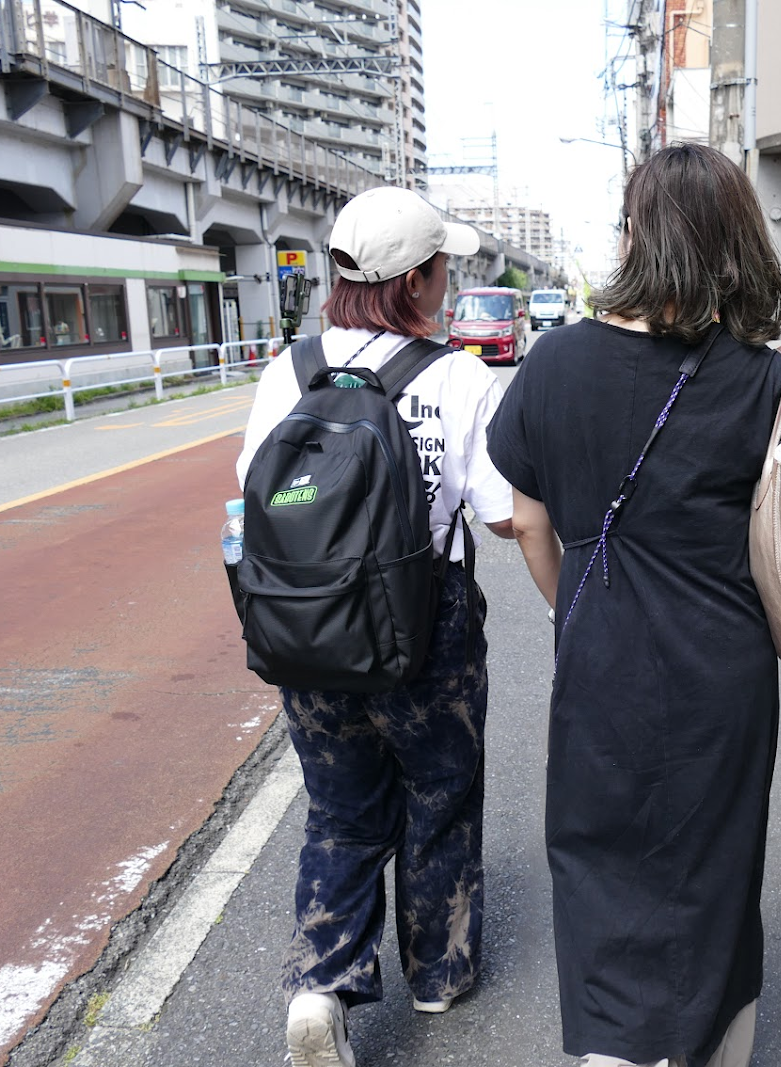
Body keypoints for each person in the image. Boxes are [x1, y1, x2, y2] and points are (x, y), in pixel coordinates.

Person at [486, 143, 781, 1067]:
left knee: (596, 856)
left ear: (634, 236)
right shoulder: (767, 378)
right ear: (734, 244)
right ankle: (708, 1037)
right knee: (714, 860)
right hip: (723, 670)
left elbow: (529, 523)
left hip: (598, 659)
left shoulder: (553, 365)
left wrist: (576, 613)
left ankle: (614, 1047)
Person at [234, 186, 517, 1067]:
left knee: (342, 809)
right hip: (426, 631)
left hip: (311, 629)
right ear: (421, 279)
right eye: (445, 266)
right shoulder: (461, 377)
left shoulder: (291, 369)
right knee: (440, 793)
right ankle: (437, 970)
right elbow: (504, 514)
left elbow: (251, 493)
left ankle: (320, 984)